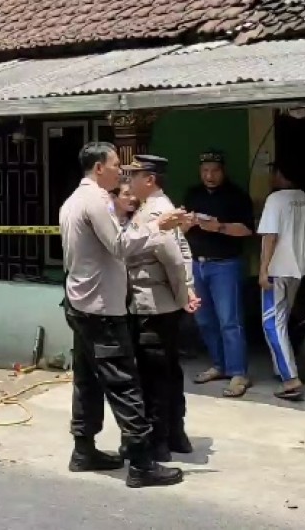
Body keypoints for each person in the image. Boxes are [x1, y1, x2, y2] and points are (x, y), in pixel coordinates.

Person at [60, 141, 188, 489]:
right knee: (124, 384)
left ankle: (83, 449)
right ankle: (142, 463)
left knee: (87, 382)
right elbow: (120, 245)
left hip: (81, 303)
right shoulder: (97, 201)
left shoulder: (73, 200)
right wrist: (158, 226)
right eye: (117, 165)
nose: (122, 172)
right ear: (99, 168)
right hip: (101, 309)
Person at [122, 154, 199, 460]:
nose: (129, 182)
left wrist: (183, 296)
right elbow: (183, 249)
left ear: (149, 179)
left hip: (152, 305)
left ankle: (159, 442)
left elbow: (174, 258)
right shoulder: (156, 209)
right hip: (159, 304)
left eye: (134, 176)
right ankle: (175, 434)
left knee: (153, 375)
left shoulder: (157, 210)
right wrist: (186, 293)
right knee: (167, 371)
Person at [257, 161, 305, 401]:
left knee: (272, 324)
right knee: (282, 320)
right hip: (297, 270)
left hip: (277, 270)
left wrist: (262, 270)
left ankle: (290, 379)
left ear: (279, 174)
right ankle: (282, 369)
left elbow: (270, 236)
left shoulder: (276, 200)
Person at [183, 149, 255, 398]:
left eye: (214, 171)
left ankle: (238, 373)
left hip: (225, 265)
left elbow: (247, 230)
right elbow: (179, 229)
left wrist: (219, 226)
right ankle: (218, 365)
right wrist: (186, 223)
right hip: (197, 264)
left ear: (223, 171)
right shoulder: (193, 194)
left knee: (229, 321)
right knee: (204, 320)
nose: (209, 176)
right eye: (205, 171)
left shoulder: (236, 196)